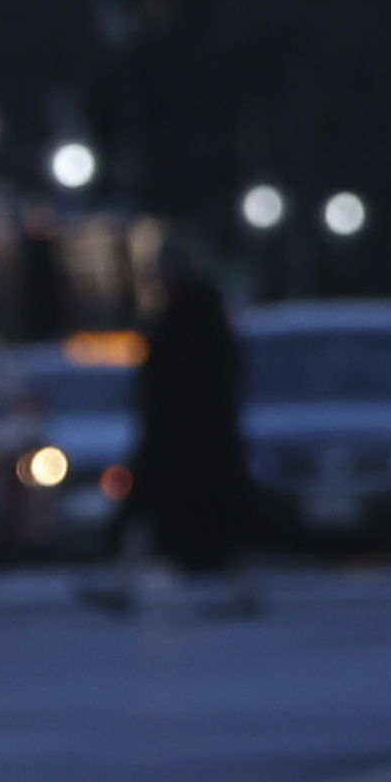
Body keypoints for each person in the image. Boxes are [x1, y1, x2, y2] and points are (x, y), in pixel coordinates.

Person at [124, 241, 257, 613]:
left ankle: (241, 589)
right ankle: (125, 579)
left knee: (161, 505)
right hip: (191, 430)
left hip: (188, 431)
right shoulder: (193, 310)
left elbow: (187, 373)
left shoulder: (190, 311)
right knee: (159, 506)